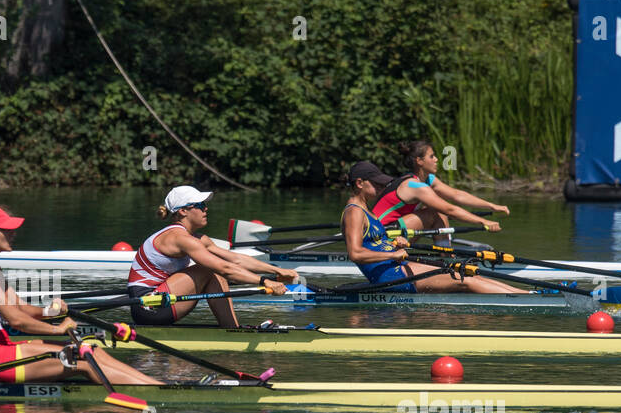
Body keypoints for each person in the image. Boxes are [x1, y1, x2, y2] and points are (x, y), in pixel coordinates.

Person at [0, 205, 161, 385]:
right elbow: (16, 320)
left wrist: (55, 310)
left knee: (92, 351)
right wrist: (58, 329)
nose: (13, 233)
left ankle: (158, 385)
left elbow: (24, 310)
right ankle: (157, 391)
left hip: (0, 347)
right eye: (6, 229)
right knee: (82, 360)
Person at [127, 186, 300, 328]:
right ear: (183, 212)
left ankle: (232, 329)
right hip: (148, 306)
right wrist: (264, 282)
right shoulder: (179, 238)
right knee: (211, 270)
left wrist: (278, 270)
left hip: (164, 300)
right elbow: (225, 268)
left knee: (215, 270)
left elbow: (235, 259)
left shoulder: (198, 239)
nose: (206, 209)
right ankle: (232, 331)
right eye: (200, 205)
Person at [341, 162, 519, 294]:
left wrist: (395, 244)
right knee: (465, 279)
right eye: (376, 184)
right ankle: (529, 298)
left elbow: (374, 244)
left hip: (397, 266)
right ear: (359, 183)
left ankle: (529, 295)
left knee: (462, 272)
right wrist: (392, 254)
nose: (381, 187)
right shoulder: (354, 213)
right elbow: (355, 253)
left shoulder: (367, 212)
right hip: (391, 276)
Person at [371, 140, 510, 233]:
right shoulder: (414, 185)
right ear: (419, 161)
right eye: (432, 157)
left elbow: (457, 195)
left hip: (394, 229)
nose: (437, 160)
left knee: (436, 210)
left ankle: (445, 252)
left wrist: (492, 206)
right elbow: (450, 209)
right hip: (378, 234)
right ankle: (446, 257)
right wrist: (483, 221)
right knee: (436, 211)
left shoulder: (427, 179)